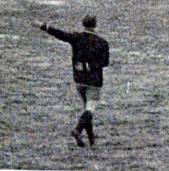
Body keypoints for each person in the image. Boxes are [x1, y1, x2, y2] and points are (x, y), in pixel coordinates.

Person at [31, 15, 110, 147]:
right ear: (95, 26)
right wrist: (89, 66)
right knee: (90, 109)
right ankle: (77, 130)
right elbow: (105, 62)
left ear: (83, 24)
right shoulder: (102, 43)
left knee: (86, 109)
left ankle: (91, 139)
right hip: (94, 81)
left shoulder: (76, 37)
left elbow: (59, 33)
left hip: (79, 79)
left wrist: (42, 26)